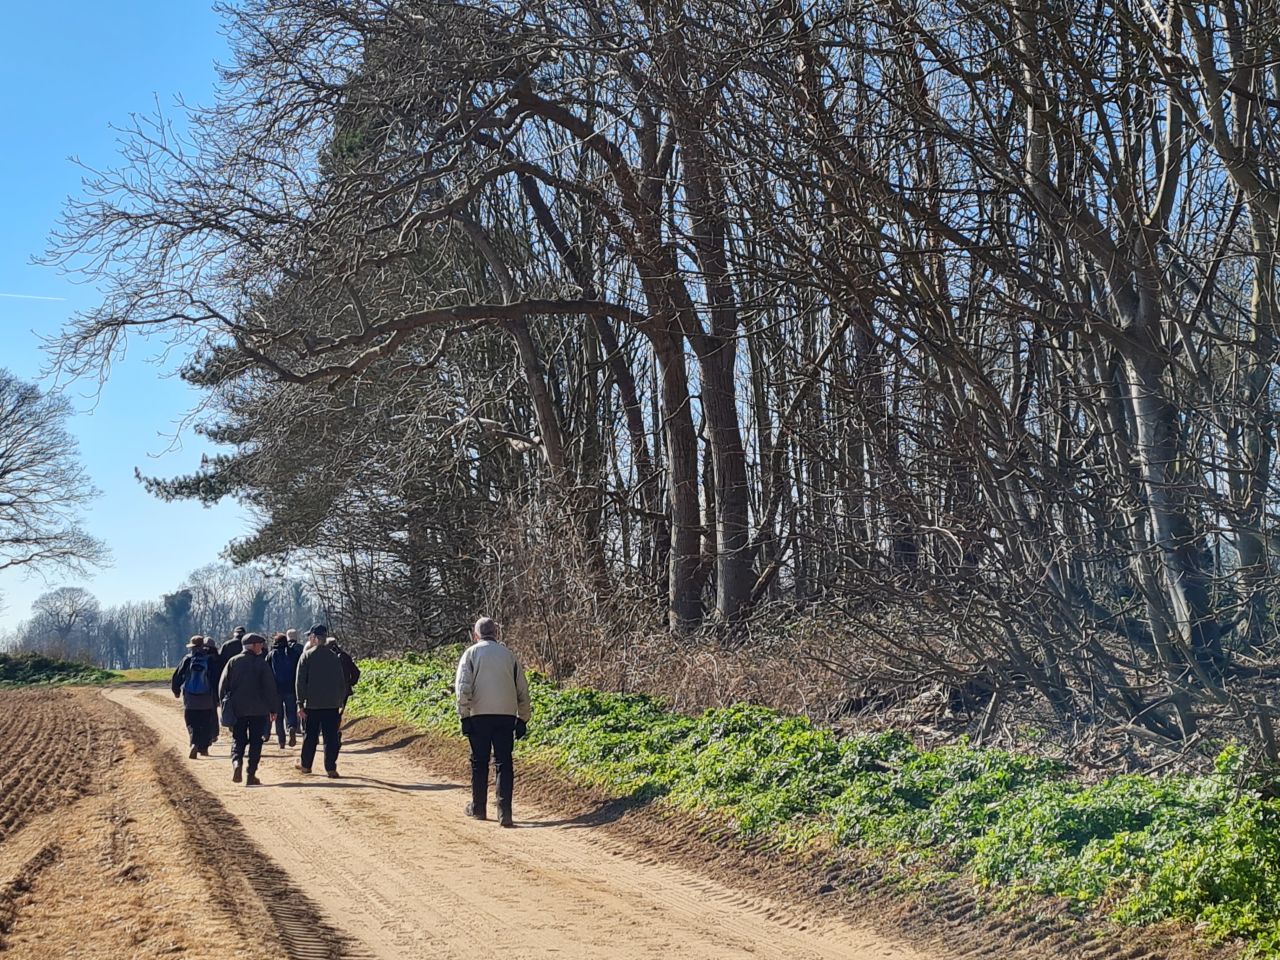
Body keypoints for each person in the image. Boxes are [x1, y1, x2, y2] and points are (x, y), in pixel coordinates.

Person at [455, 617, 530, 827]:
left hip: (479, 715)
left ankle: (478, 807)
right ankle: (505, 812)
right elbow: (522, 689)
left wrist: (464, 715)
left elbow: (463, 686)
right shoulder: (508, 655)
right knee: (504, 762)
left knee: (479, 762)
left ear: (475, 634)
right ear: (496, 633)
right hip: (506, 716)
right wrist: (523, 718)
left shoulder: (470, 654)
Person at [217, 632, 280, 786]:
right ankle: (251, 774)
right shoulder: (261, 663)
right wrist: (273, 708)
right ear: (252, 646)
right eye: (260, 644)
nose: (262, 647)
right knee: (256, 741)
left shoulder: (233, 662)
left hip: (238, 709)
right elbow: (270, 688)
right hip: (259, 710)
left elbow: (222, 686)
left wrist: (224, 704)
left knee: (238, 738)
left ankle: (236, 763)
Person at [295, 624, 348, 778]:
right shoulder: (334, 657)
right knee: (330, 737)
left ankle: (306, 765)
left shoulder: (306, 656)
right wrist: (339, 701)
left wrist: (300, 703)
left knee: (310, 736)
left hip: (312, 704)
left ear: (313, 638)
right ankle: (331, 768)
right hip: (331, 704)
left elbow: (300, 682)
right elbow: (341, 682)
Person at [170, 635, 217, 758]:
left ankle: (194, 743)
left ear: (192, 647)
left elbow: (177, 676)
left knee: (191, 722)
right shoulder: (210, 660)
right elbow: (215, 678)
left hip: (190, 697)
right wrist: (216, 696)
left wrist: (176, 690)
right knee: (206, 722)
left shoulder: (187, 659)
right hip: (206, 697)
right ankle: (204, 748)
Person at [267, 633, 299, 748]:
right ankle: (291, 727)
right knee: (291, 711)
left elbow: (267, 672)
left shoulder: (271, 655)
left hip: (276, 690)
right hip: (290, 688)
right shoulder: (293, 653)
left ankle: (281, 741)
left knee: (278, 715)